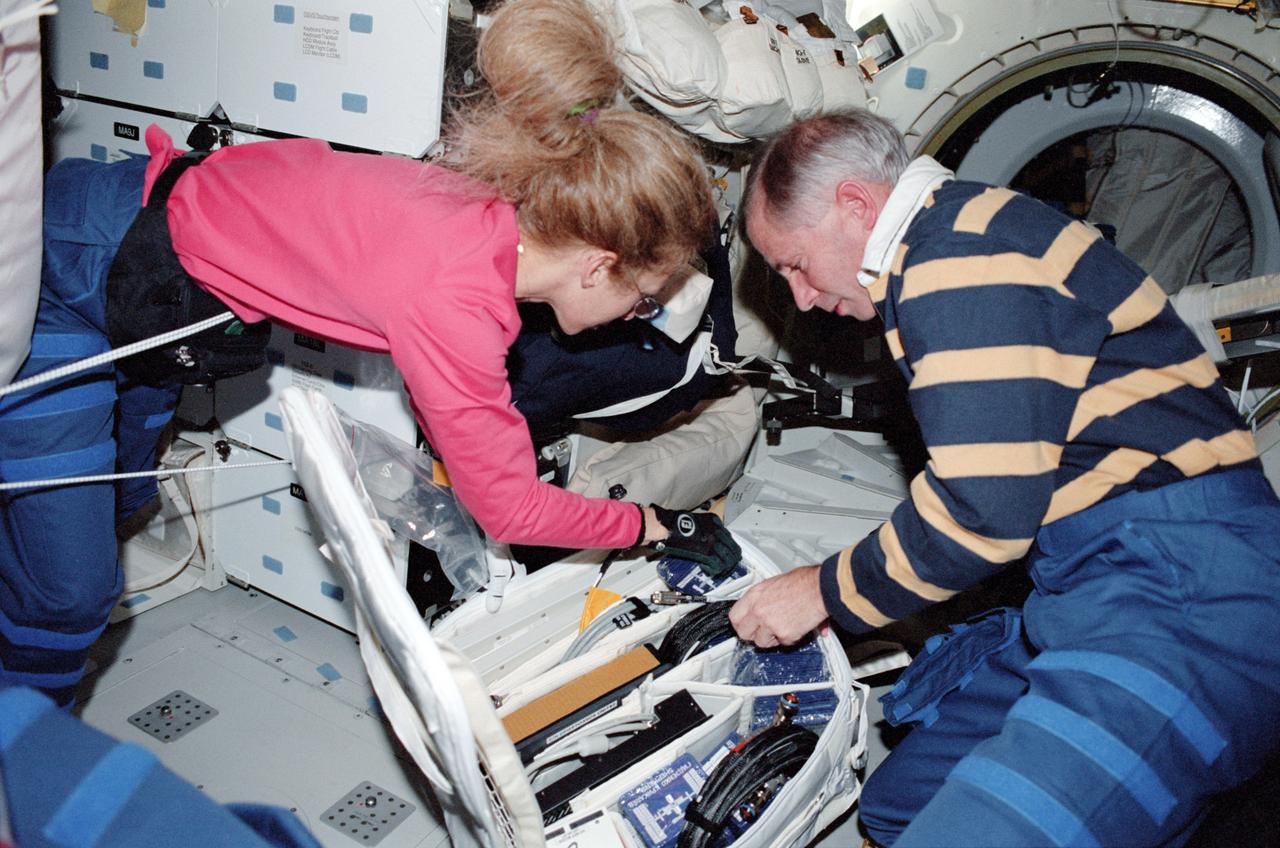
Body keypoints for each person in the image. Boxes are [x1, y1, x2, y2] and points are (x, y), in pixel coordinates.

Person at [0, 0, 738, 707]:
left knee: (121, 500)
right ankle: (26, 754)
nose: (639, 315)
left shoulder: (479, 207)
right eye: (643, 297)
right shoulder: (457, 306)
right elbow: (508, 508)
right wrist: (650, 523)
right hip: (72, 283)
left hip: (132, 244)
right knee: (69, 594)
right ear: (596, 263)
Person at [727, 109, 1280, 846]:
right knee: (898, 807)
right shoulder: (968, 234)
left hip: (1184, 596)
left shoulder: (955, 256)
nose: (799, 296)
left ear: (855, 206)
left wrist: (819, 592)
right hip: (1092, 581)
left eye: (793, 264)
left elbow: (982, 513)